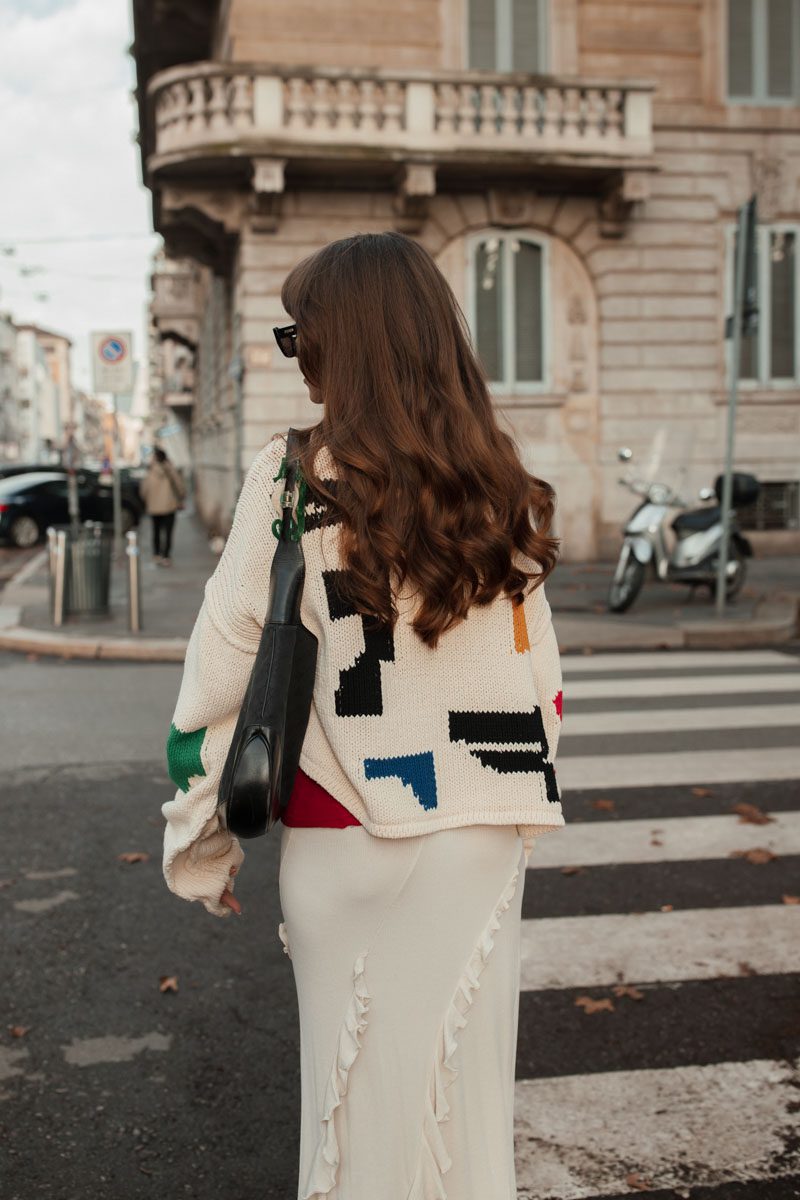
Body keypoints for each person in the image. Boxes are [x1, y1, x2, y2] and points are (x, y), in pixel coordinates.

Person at [162, 231, 565, 1200]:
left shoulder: (296, 477)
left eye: (300, 336)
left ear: (343, 346)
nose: (297, 356)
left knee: (350, 1133)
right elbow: (540, 684)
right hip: (480, 844)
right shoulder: (496, 481)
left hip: (350, 842)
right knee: (464, 1128)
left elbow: (220, 675)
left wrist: (201, 839)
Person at [139, 447, 186, 566]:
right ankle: (166, 556)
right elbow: (180, 486)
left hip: (154, 507)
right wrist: (181, 496)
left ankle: (156, 554)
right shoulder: (171, 470)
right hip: (169, 506)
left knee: (156, 531)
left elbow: (144, 490)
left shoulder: (150, 471)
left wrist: (147, 500)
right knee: (168, 532)